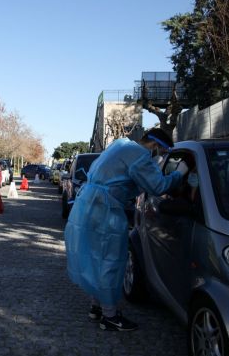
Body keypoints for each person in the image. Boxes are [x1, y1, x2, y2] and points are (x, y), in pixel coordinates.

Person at [64, 128, 188, 331]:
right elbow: (157, 187)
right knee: (111, 261)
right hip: (106, 210)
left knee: (97, 258)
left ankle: (96, 307)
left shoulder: (121, 144)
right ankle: (110, 316)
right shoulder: (140, 156)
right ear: (156, 146)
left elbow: (125, 178)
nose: (162, 156)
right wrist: (178, 174)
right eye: (163, 152)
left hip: (88, 204)